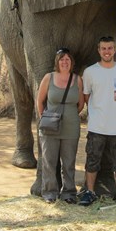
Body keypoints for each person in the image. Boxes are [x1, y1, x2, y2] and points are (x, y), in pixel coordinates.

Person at [79, 36, 116, 206]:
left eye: (110, 48)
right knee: (92, 159)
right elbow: (87, 96)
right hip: (97, 125)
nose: (107, 51)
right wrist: (100, 110)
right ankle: (89, 192)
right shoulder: (90, 72)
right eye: (104, 48)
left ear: (115, 50)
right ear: (98, 50)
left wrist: (114, 109)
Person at [37, 48, 84, 204]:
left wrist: (69, 115)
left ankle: (69, 192)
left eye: (67, 59)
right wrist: (46, 117)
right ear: (57, 62)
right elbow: (40, 101)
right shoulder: (48, 78)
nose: (65, 62)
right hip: (50, 127)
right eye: (61, 59)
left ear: (71, 62)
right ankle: (49, 192)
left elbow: (80, 104)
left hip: (71, 127)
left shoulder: (77, 79)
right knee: (49, 161)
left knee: (69, 162)